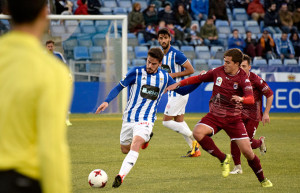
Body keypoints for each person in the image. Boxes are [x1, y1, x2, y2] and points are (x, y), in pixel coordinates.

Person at [166, 48, 273, 188]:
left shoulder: (243, 79)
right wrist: (179, 83)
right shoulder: (218, 71)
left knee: (247, 152)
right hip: (215, 115)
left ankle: (263, 179)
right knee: (197, 132)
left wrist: (241, 98)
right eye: (224, 61)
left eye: (228, 62)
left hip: (234, 119)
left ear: (236, 64)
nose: (225, 64)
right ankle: (223, 158)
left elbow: (251, 98)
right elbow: (198, 78)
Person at [95, 48, 199, 188]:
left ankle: (121, 176)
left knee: (135, 144)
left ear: (160, 63)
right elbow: (119, 87)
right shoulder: (136, 72)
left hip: (146, 119)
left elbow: (182, 90)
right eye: (148, 62)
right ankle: (147, 139)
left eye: (153, 64)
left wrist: (199, 81)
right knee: (124, 149)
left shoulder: (164, 77)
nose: (149, 66)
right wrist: (107, 101)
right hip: (129, 118)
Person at [0, 0, 73, 192]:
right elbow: (51, 148)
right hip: (21, 180)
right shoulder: (52, 71)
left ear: (8, 12)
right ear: (44, 15)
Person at [157, 28, 201, 157]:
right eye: (161, 38)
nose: (163, 40)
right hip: (172, 92)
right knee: (178, 121)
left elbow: (191, 69)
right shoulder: (161, 55)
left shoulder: (176, 54)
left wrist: (173, 75)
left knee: (166, 121)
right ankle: (195, 150)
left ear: (170, 39)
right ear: (158, 40)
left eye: (165, 37)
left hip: (179, 91)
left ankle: (195, 141)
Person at [230, 54, 274, 175]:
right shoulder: (234, 78)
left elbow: (270, 94)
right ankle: (237, 167)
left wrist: (266, 113)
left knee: (246, 143)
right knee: (234, 139)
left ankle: (260, 142)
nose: (241, 68)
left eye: (244, 66)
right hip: (238, 113)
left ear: (249, 67)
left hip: (253, 116)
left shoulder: (256, 80)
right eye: (240, 66)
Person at [45, 40, 73, 126]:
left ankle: (66, 120)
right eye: (49, 46)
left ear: (54, 47)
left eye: (51, 46)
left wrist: (68, 75)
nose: (50, 48)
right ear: (46, 47)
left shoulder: (58, 55)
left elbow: (65, 66)